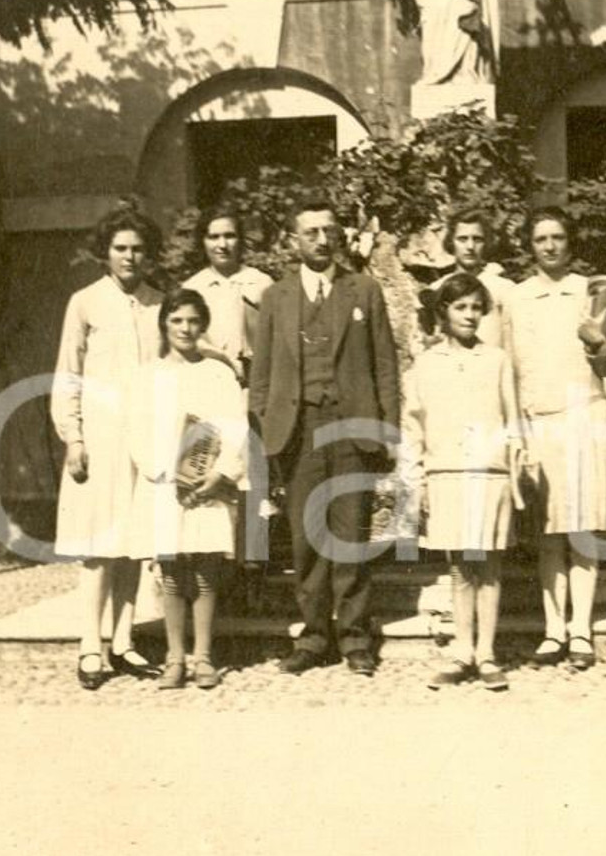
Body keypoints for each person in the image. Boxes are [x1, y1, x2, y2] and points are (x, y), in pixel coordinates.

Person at [248, 198, 400, 675]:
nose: (320, 239)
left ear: (340, 237)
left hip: (352, 429)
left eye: (328, 231)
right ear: (294, 240)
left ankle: (356, 639)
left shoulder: (365, 291)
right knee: (306, 539)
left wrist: (388, 432)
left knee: (350, 534)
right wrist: (266, 428)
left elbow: (385, 367)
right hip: (298, 431)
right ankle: (314, 638)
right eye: (310, 231)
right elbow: (262, 374)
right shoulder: (276, 297)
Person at [502, 206, 606, 670]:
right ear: (529, 246)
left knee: (581, 528)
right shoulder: (516, 298)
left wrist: (598, 342)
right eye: (541, 239)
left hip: (584, 415)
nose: (550, 246)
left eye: (557, 237)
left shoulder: (588, 291)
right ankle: (553, 630)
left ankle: (581, 631)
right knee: (549, 532)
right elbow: (510, 369)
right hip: (541, 421)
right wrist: (518, 430)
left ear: (569, 243)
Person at [51, 200, 165, 689]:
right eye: (120, 248)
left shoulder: (160, 303)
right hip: (99, 437)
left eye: (138, 249)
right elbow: (68, 373)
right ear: (106, 252)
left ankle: (124, 642)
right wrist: (73, 437)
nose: (129, 257)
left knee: (134, 546)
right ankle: (89, 646)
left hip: (145, 440)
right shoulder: (85, 302)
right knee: (98, 547)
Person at [402, 273, 523, 690]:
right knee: (459, 568)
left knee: (488, 565)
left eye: (476, 307)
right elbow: (413, 425)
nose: (470, 315)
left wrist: (513, 465)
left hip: (489, 473)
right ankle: (461, 651)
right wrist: (416, 481)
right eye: (461, 307)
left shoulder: (497, 360)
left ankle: (487, 654)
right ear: (443, 313)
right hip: (445, 473)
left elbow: (512, 419)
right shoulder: (425, 364)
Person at [127, 289, 247, 691]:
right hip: (165, 488)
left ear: (204, 325)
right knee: (173, 574)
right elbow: (138, 431)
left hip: (209, 484)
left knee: (206, 572)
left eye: (193, 320)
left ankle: (204, 657)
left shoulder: (218, 374)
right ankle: (174, 657)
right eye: (177, 320)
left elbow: (234, 428)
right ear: (164, 323)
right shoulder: (148, 375)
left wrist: (220, 474)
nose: (185, 328)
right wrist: (165, 472)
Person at [183, 208, 273, 386]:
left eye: (229, 236)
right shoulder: (192, 288)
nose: (222, 245)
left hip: (254, 384)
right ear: (203, 241)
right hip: (207, 383)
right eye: (213, 237)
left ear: (240, 240)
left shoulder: (262, 283)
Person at [425, 210, 514, 347]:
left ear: (486, 243)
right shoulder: (437, 288)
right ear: (451, 242)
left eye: (477, 239)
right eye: (462, 239)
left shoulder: (504, 289)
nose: (470, 247)